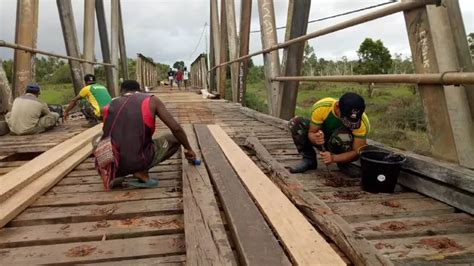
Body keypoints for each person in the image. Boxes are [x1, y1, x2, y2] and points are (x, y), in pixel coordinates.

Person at [101, 80, 197, 188]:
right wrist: (188, 148)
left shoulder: (109, 105)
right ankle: (141, 171)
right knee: (173, 139)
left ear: (121, 91)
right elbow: (176, 128)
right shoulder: (151, 100)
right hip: (137, 159)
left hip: (110, 161)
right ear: (140, 90)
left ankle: (116, 173)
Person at [288, 92, 370, 173]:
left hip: (342, 145)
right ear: (337, 106)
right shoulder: (322, 107)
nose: (349, 122)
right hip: (325, 139)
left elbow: (357, 151)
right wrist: (315, 138)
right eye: (345, 118)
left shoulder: (363, 123)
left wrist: (333, 158)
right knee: (295, 123)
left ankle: (344, 163)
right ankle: (309, 160)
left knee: (342, 136)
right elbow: (311, 133)